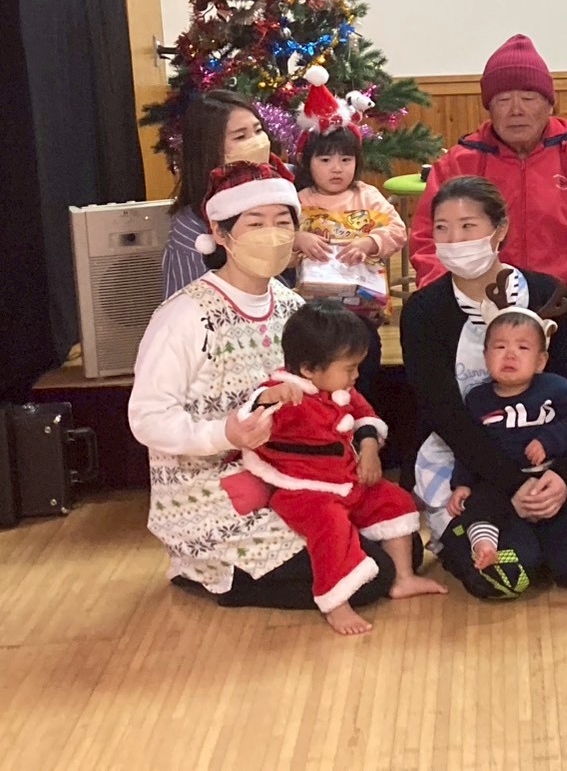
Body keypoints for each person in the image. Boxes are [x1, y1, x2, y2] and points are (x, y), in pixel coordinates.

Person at [130, 160, 421, 610]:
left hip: (298, 483)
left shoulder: (289, 305)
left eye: (283, 221)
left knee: (404, 547)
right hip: (216, 499)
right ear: (221, 233)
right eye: (255, 223)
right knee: (371, 575)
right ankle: (206, 569)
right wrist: (224, 433)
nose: (272, 233)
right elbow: (146, 418)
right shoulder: (185, 316)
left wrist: (361, 442)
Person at [407, 35, 567, 456]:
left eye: (528, 97)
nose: (516, 109)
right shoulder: (460, 162)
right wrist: (451, 300)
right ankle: (481, 455)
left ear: (549, 103)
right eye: (503, 99)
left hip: (565, 304)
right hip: (482, 300)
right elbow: (427, 238)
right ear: (488, 107)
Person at [401, 175, 567, 599]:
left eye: (468, 226)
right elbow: (444, 413)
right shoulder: (423, 311)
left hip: (546, 456)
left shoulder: (545, 294)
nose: (454, 240)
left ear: (499, 230)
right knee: (505, 575)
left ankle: (541, 529)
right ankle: (477, 536)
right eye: (442, 228)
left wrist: (561, 475)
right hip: (470, 466)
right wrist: (510, 486)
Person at [241, 300, 443, 635]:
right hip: (302, 493)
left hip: (347, 482)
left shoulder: (339, 389)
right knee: (331, 528)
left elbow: (365, 416)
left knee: (394, 500)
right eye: (349, 368)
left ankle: (403, 578)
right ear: (308, 369)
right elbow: (248, 416)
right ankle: (335, 603)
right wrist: (268, 399)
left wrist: (369, 448)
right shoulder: (283, 394)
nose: (356, 376)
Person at [445, 277, 567, 589]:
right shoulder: (478, 399)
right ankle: (485, 546)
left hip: (554, 473)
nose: (510, 355)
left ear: (540, 361)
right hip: (503, 481)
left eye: (522, 347)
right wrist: (462, 484)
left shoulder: (555, 387)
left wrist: (549, 440)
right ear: (485, 356)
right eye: (500, 347)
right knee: (480, 504)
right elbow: (470, 447)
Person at [293, 76, 405, 409]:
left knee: (364, 364)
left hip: (362, 310)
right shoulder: (299, 201)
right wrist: (298, 237)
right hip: (313, 312)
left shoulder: (367, 196)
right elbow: (277, 239)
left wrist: (371, 242)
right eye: (325, 160)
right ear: (308, 162)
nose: (336, 169)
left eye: (345, 160)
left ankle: (365, 417)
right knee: (315, 373)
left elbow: (397, 230)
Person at [162, 90, 274, 299]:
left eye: (259, 130)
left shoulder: (283, 190)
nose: (257, 142)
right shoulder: (190, 227)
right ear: (210, 148)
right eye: (240, 136)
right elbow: (186, 303)